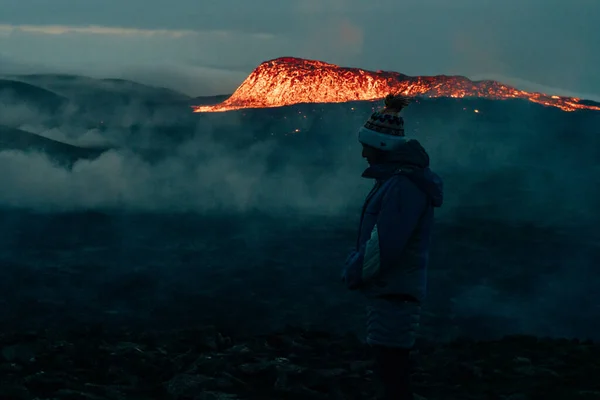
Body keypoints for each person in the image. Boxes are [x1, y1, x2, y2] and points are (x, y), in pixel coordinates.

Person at [341, 94, 444, 400]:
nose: (362, 154)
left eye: (366, 146)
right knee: (389, 368)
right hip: (391, 291)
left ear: (382, 147)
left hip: (395, 292)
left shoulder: (403, 186)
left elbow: (385, 245)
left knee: (391, 373)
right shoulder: (398, 181)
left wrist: (354, 271)